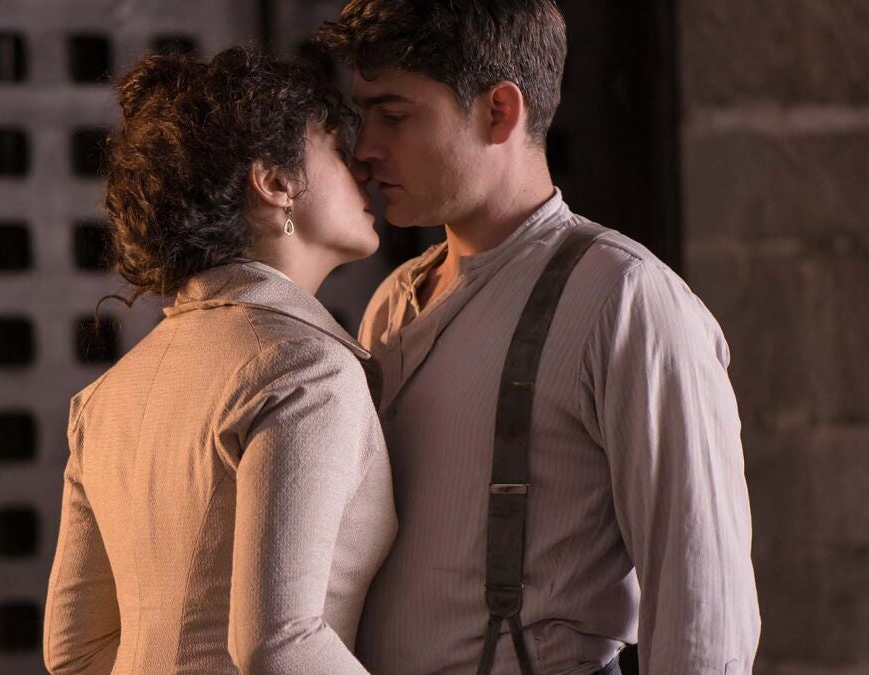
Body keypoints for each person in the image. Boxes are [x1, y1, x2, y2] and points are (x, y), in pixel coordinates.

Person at [316, 1, 761, 674]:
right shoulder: (394, 300)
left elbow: (703, 608)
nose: (366, 148)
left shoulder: (624, 298)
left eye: (395, 116)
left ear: (499, 112)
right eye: (365, 115)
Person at [42, 47, 396, 675]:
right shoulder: (305, 371)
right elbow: (280, 642)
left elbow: (74, 652)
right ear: (276, 183)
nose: (364, 168)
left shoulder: (104, 399)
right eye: (338, 151)